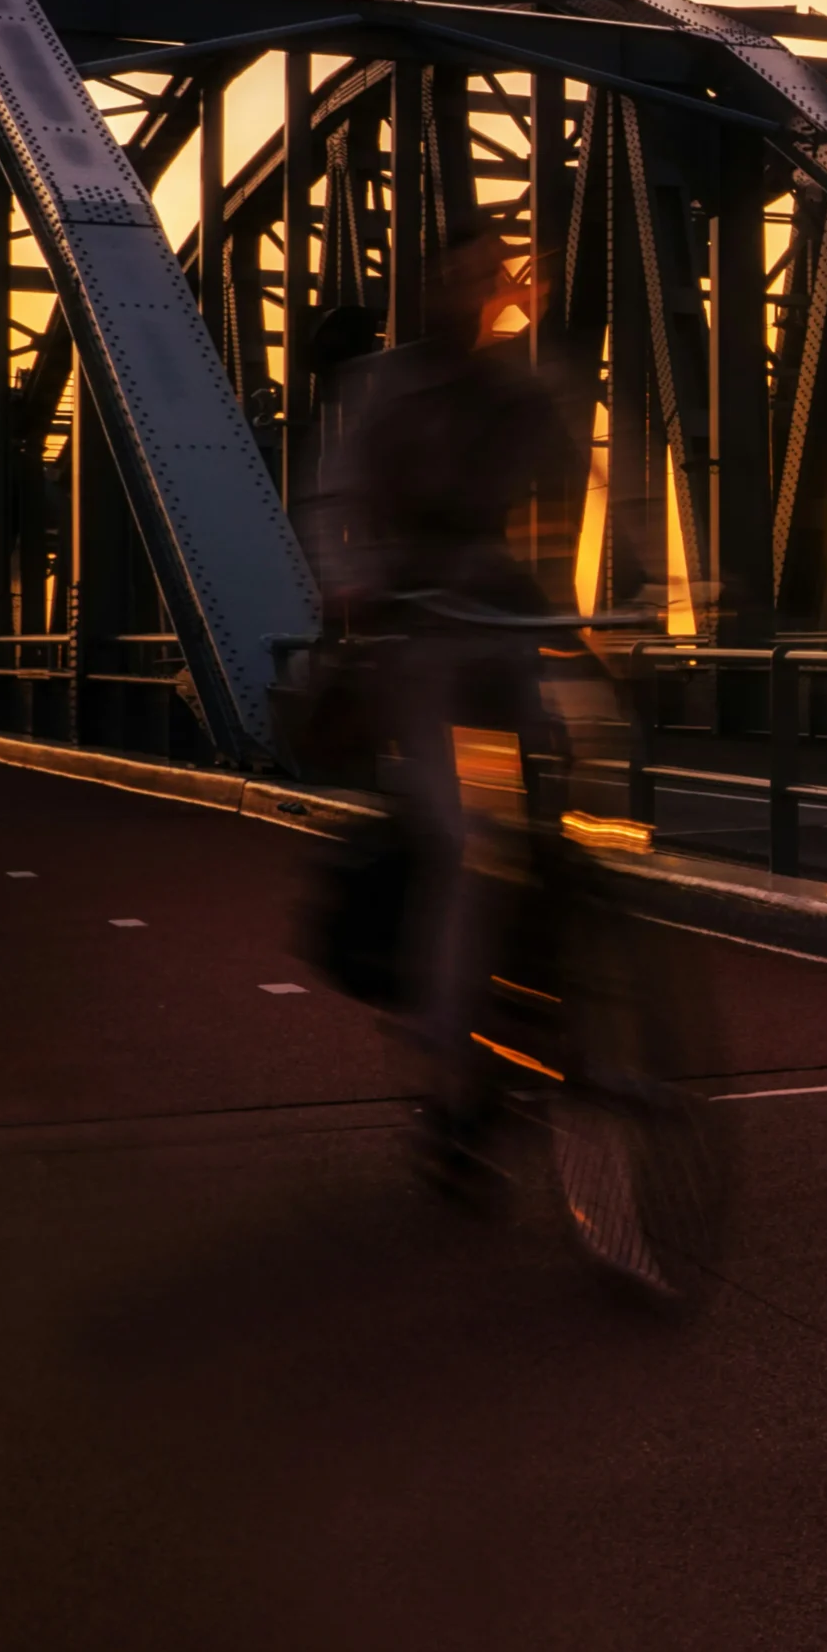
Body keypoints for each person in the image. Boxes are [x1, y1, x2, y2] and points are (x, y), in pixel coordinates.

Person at [305, 229, 578, 1180]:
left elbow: (584, 487)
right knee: (467, 842)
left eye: (487, 275)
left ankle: (549, 979)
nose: (475, 290)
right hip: (414, 632)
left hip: (496, 615)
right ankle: (449, 1062)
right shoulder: (381, 386)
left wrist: (675, 586)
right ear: (430, 285)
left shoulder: (522, 390)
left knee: (548, 798)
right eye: (458, 273)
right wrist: (349, 582)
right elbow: (332, 501)